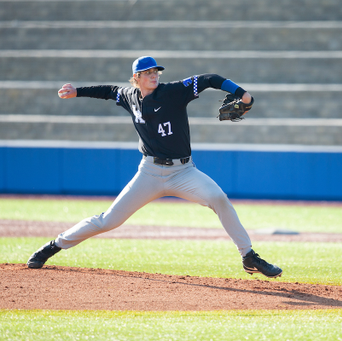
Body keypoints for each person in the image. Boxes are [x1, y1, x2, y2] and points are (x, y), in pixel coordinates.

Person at [26, 56, 283, 278]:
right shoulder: (129, 96)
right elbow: (107, 90)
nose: (154, 76)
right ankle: (53, 246)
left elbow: (209, 78)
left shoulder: (172, 91)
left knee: (219, 198)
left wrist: (243, 94)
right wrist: (77, 91)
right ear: (136, 78)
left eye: (156, 72)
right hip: (148, 173)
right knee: (108, 221)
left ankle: (248, 256)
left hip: (183, 172)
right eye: (148, 73)